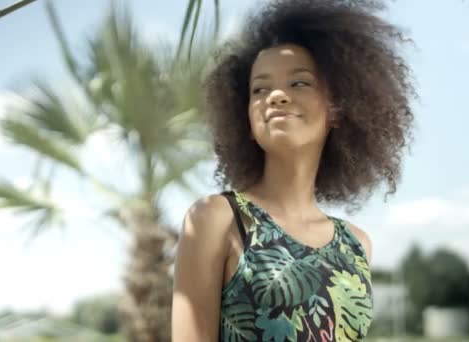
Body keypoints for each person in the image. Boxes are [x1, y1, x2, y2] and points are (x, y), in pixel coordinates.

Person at [171, 0, 415, 340]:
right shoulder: (217, 218)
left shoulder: (358, 245)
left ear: (338, 108)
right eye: (260, 89)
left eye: (299, 82)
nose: (276, 96)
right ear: (245, 118)